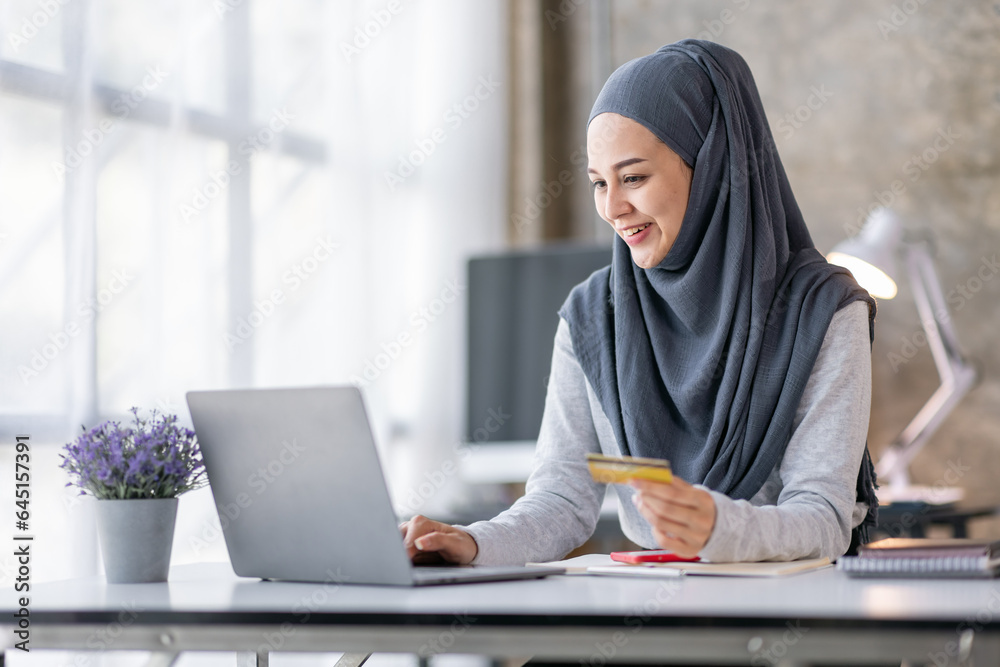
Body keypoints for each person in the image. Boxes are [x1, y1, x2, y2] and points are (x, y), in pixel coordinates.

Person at [400, 39, 877, 565]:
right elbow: (561, 499)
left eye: (633, 178)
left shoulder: (823, 310)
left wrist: (720, 528)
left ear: (712, 166)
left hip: (791, 618)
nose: (613, 207)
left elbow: (824, 515)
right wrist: (473, 542)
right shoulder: (592, 316)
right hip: (659, 609)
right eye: (599, 183)